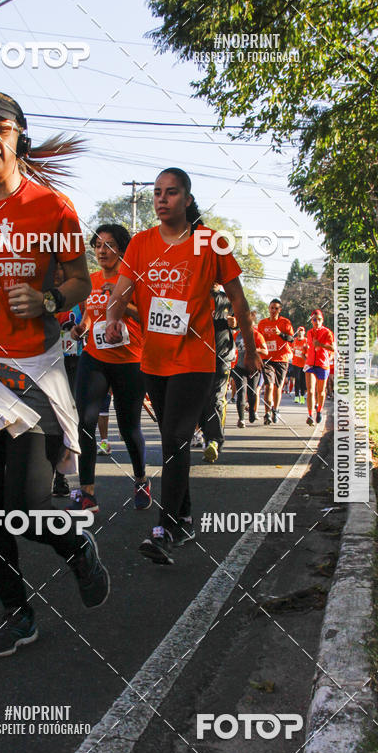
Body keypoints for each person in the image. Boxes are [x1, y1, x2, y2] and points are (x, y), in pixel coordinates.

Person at [0, 91, 109, 657]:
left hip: (32, 370)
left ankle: (76, 548)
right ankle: (17, 612)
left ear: (18, 138)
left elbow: (80, 282)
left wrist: (49, 297)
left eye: (0, 128)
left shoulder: (52, 208)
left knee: (25, 507)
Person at [105, 167, 260, 564]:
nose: (161, 199)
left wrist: (250, 347)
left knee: (174, 440)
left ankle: (165, 530)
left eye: (171, 193)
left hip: (195, 358)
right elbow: (121, 291)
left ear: (187, 200)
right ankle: (186, 518)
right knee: (172, 441)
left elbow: (239, 301)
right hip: (153, 360)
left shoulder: (211, 243)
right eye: (157, 192)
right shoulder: (140, 244)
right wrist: (113, 317)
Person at [68, 224, 150, 512]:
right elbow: (91, 314)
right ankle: (87, 493)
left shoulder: (133, 280)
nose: (103, 251)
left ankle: (141, 479)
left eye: (110, 245)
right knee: (86, 423)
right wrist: (82, 328)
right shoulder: (88, 281)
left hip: (129, 361)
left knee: (129, 429)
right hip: (95, 358)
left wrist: (121, 299)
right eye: (98, 245)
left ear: (122, 250)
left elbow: (149, 318)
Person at [52, 263, 85, 497]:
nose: (58, 272)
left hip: (74, 362)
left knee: (68, 417)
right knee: (49, 419)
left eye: (62, 267)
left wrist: (79, 329)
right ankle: (50, 475)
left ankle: (61, 477)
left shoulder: (80, 295)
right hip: (46, 364)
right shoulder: (39, 292)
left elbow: (90, 322)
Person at [199, 283, 237, 462]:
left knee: (215, 397)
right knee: (199, 399)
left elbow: (242, 319)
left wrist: (235, 324)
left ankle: (214, 441)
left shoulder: (228, 298)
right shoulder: (194, 296)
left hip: (222, 355)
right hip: (197, 355)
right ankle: (207, 437)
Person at [257, 299, 295, 424]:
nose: (273, 310)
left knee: (278, 387)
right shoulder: (262, 323)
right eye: (272, 307)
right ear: (269, 308)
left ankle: (275, 410)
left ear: (280, 310)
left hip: (281, 359)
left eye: (276, 308)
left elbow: (291, 339)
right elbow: (257, 339)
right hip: (267, 359)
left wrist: (280, 333)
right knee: (268, 386)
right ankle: (267, 413)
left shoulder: (285, 322)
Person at [232, 311, 268, 427]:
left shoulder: (257, 335)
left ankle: (252, 411)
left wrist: (254, 350)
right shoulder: (236, 335)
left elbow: (265, 351)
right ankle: (241, 418)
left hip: (253, 367)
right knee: (241, 392)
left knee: (252, 392)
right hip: (239, 367)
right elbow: (231, 348)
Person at [304, 309, 335, 425]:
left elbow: (333, 348)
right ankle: (310, 415)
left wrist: (321, 345)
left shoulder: (327, 332)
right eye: (314, 320)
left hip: (322, 365)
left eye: (319, 319)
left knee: (320, 391)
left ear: (322, 320)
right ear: (311, 321)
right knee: (311, 390)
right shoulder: (309, 332)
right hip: (310, 364)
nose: (317, 322)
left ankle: (319, 410)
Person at [290, 326, 308, 404]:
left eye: (302, 331)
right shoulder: (294, 341)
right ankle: (297, 396)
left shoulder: (306, 341)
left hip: (304, 363)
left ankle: (302, 397)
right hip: (296, 363)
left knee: (303, 381)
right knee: (297, 379)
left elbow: (309, 351)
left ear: (304, 332)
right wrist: (292, 351)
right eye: (299, 331)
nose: (300, 332)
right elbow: (291, 349)